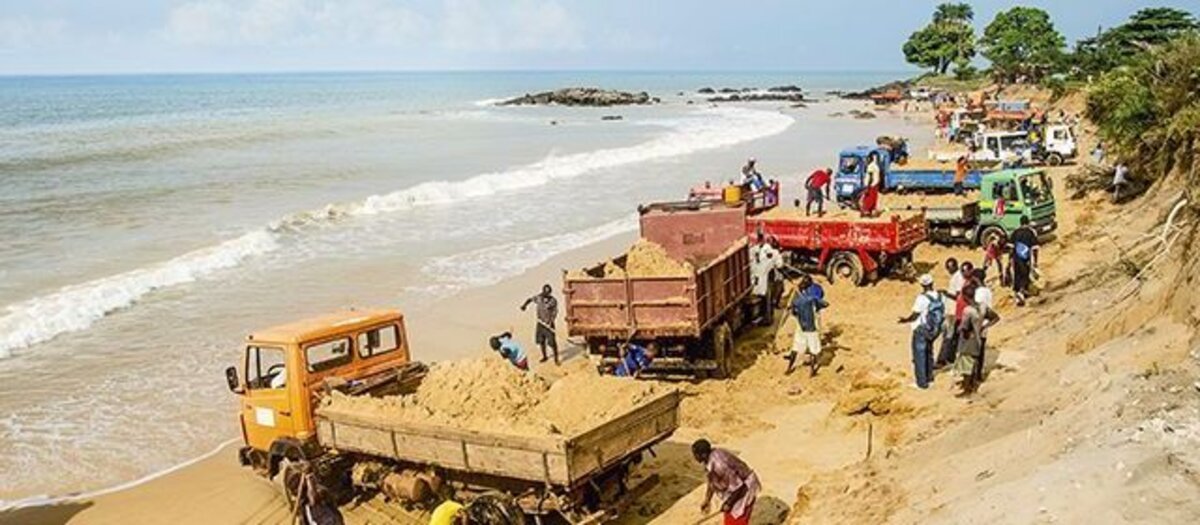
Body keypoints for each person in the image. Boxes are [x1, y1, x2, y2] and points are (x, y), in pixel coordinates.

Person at [693, 439, 760, 525]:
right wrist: (707, 500)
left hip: (745, 487)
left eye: (695, 454)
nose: (694, 457)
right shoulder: (709, 460)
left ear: (703, 454)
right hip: (735, 488)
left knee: (737, 520)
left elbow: (739, 486)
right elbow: (711, 482)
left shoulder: (720, 466)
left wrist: (728, 503)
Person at [897, 274, 943, 389]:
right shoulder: (939, 295)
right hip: (934, 329)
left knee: (919, 356)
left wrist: (905, 320)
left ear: (922, 285)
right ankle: (930, 377)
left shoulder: (922, 298)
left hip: (921, 329)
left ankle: (921, 383)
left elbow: (915, 315)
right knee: (929, 352)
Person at [953, 284, 1000, 396]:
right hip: (978, 338)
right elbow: (995, 317)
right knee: (974, 364)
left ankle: (968, 390)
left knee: (966, 366)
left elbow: (964, 327)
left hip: (968, 340)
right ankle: (972, 386)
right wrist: (984, 326)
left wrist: (960, 330)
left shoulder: (967, 310)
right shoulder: (982, 306)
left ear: (964, 296)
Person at [785, 275, 828, 377]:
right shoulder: (812, 299)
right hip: (811, 327)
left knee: (795, 348)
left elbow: (793, 312)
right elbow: (825, 304)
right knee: (813, 350)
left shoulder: (797, 300)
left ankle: (789, 368)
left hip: (801, 326)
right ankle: (812, 371)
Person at [520, 284, 559, 364]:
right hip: (540, 324)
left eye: (547, 292)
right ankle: (545, 356)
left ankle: (556, 359)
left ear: (550, 293)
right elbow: (530, 299)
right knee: (541, 341)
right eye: (544, 291)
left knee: (552, 343)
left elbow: (555, 312)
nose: (545, 293)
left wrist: (551, 321)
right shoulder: (539, 298)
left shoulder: (553, 301)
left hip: (549, 324)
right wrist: (524, 306)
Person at [750, 235, 783, 326]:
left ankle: (760, 317)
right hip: (766, 280)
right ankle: (767, 319)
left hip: (754, 280)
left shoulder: (753, 249)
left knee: (761, 298)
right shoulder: (774, 252)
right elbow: (780, 265)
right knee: (768, 299)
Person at [1009, 216, 1039, 306]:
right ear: (1028, 222)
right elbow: (1035, 249)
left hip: (1015, 258)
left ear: (1020, 223)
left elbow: (1011, 248)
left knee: (1017, 275)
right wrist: (1036, 261)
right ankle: (1021, 294)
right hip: (1025, 259)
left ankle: (1018, 293)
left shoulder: (1015, 232)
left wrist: (1009, 261)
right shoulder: (1030, 232)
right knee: (1024, 275)